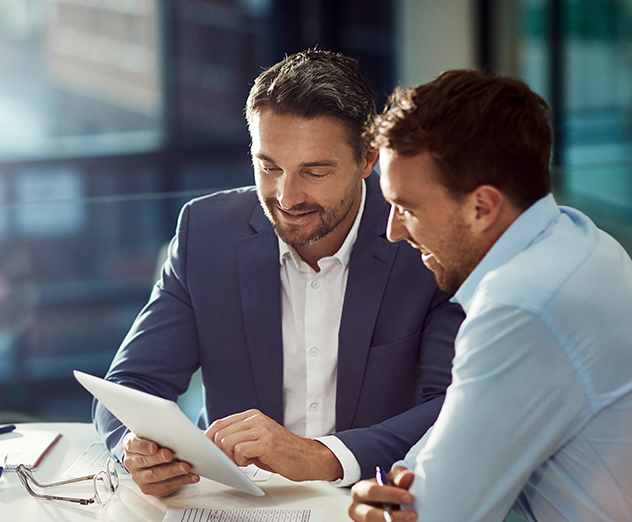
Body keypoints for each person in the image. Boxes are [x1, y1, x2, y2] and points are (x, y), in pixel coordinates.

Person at [92, 49, 463, 497]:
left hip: (377, 504)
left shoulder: (423, 242)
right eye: (269, 167)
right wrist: (137, 447)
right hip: (239, 511)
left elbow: (453, 406)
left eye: (315, 171)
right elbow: (131, 385)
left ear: (368, 160)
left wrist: (322, 456)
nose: (287, 196)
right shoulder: (205, 234)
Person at [348, 69, 632, 522]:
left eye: (406, 207)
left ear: (482, 207)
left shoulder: (520, 307)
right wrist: (405, 482)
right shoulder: (577, 237)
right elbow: (463, 422)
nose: (392, 231)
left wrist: (403, 503)